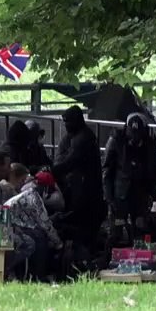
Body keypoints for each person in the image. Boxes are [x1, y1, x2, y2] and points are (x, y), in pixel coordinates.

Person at [51, 105, 105, 274]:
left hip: (86, 193)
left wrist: (51, 171)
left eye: (68, 122)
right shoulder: (79, 136)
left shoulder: (82, 138)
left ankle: (83, 263)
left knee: (84, 230)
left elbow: (70, 162)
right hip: (83, 190)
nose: (66, 126)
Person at [103, 113, 156, 241]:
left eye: (137, 135)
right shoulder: (116, 141)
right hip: (120, 195)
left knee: (140, 234)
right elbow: (107, 170)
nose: (134, 139)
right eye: (132, 134)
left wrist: (152, 195)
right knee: (116, 233)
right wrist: (109, 197)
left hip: (141, 196)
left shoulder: (150, 145)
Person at [3, 170, 63, 280]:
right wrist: (58, 243)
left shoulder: (28, 193)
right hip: (9, 228)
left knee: (38, 233)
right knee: (40, 237)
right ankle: (38, 276)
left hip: (12, 225)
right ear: (45, 188)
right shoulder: (34, 199)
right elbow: (45, 225)